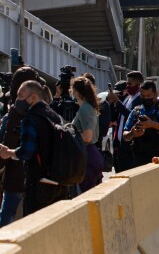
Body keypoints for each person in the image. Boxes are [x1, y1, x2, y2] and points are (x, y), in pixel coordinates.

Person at [0, 81, 68, 216]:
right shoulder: (54, 115)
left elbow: (26, 152)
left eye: (21, 95)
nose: (17, 99)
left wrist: (8, 153)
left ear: (33, 97)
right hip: (59, 182)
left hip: (39, 184)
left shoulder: (30, 119)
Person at [0, 67, 43, 226]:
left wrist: (6, 154)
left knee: (7, 221)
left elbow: (7, 145)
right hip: (38, 180)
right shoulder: (45, 112)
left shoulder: (13, 115)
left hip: (15, 180)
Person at [122, 81, 159, 166]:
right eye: (143, 96)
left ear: (155, 94)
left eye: (149, 96)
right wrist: (132, 133)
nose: (146, 98)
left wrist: (152, 124)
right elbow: (125, 136)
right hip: (141, 157)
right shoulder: (136, 111)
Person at [70, 77, 104, 193]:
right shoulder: (89, 107)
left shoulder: (85, 109)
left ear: (77, 92)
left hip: (87, 157)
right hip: (91, 155)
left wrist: (70, 134)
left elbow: (87, 137)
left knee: (86, 197)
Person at [106, 70, 144, 173]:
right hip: (119, 147)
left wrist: (117, 102)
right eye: (127, 83)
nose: (127, 86)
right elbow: (119, 117)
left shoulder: (140, 99)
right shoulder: (127, 99)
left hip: (130, 149)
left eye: (130, 84)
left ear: (138, 84)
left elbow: (131, 116)